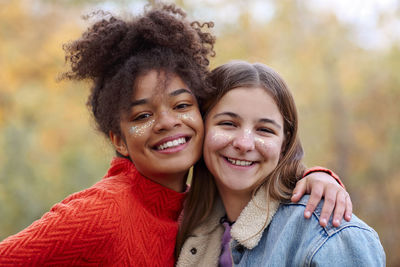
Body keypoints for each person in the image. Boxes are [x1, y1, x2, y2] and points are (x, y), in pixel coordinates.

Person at [0, 4, 350, 266]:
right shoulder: (100, 213)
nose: (166, 122)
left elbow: (254, 168)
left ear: (203, 116)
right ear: (119, 140)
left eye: (181, 106)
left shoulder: (202, 202)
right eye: (142, 115)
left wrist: (316, 176)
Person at [176, 61, 385, 266]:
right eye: (228, 124)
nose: (244, 143)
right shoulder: (190, 226)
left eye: (264, 130)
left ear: (284, 143)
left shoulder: (326, 233)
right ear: (201, 128)